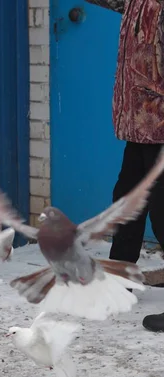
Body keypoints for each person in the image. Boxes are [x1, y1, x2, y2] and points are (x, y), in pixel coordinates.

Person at [86, 0, 164, 331]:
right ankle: (119, 281)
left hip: (160, 124)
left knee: (162, 210)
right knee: (128, 199)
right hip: (141, 125)